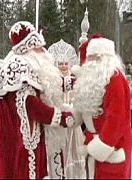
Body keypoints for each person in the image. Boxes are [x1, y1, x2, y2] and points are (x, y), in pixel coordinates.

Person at [0, 21, 76, 179]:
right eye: (38, 46)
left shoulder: (30, 65)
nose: (43, 50)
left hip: (29, 135)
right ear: (29, 48)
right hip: (21, 140)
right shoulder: (20, 66)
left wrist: (71, 82)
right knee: (24, 171)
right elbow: (31, 105)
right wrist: (63, 118)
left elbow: (47, 84)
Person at [72, 35, 132, 179]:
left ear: (106, 59)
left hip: (112, 145)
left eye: (95, 58)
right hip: (94, 144)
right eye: (90, 58)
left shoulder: (116, 79)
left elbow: (117, 119)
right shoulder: (92, 81)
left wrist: (102, 145)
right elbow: (85, 108)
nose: (91, 62)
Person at [48, 39, 86, 179]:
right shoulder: (53, 81)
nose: (63, 66)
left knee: (74, 150)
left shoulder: (74, 80)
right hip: (58, 121)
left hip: (73, 123)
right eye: (60, 64)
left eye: (65, 63)